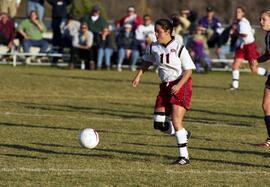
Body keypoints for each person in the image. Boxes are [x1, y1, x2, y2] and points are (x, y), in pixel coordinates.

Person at [132, 19, 195, 165]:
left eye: (158, 31)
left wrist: (179, 85)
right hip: (165, 86)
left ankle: (184, 157)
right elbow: (148, 61)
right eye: (155, 30)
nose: (155, 33)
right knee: (158, 124)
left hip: (180, 84)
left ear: (168, 32)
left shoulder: (179, 47)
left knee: (176, 120)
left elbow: (189, 71)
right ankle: (184, 134)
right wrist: (138, 76)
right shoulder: (153, 46)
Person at [229, 6, 268, 90]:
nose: (237, 13)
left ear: (243, 13)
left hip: (249, 45)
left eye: (239, 12)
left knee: (253, 69)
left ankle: (268, 74)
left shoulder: (243, 22)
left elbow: (245, 34)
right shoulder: (237, 22)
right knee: (235, 65)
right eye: (236, 12)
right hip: (242, 46)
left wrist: (235, 33)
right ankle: (234, 86)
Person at [252, 10, 270, 148]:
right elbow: (268, 54)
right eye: (260, 19)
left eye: (264, 19)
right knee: (266, 106)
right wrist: (257, 60)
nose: (261, 22)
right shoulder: (268, 36)